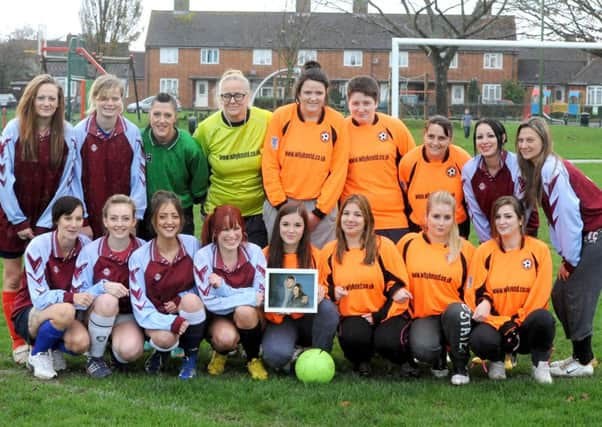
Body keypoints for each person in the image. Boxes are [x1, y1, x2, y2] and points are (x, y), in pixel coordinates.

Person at [0, 74, 84, 364]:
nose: (47, 103)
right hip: (14, 216)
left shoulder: (69, 133)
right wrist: (19, 221)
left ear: (60, 103)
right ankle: (18, 341)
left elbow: (68, 180)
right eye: (42, 97)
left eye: (53, 98)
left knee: (45, 278)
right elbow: (3, 177)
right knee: (13, 277)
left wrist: (46, 223)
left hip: (49, 218)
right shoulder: (13, 129)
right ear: (31, 100)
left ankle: (48, 340)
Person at [515, 117, 602, 377]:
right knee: (560, 294)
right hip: (587, 232)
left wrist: (570, 260)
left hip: (596, 230)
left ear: (544, 140)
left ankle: (585, 362)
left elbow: (568, 218)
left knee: (575, 292)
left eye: (530, 139)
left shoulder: (552, 171)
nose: (524, 145)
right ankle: (578, 355)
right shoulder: (536, 170)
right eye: (520, 140)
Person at [319, 194, 411, 376]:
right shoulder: (329, 251)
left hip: (385, 314)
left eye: (357, 215)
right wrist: (332, 292)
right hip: (353, 316)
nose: (350, 219)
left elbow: (398, 284)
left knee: (388, 342)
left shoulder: (384, 246)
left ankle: (402, 360)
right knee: (354, 337)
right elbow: (321, 288)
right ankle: (362, 360)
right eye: (346, 214)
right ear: (339, 218)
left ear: (367, 219)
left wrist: (379, 315)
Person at [467, 195, 555, 384]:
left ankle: (540, 364)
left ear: (520, 219)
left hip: (524, 327)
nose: (502, 222)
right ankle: (497, 361)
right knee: (480, 338)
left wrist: (516, 322)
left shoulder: (539, 250)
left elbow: (540, 294)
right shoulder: (484, 251)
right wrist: (503, 323)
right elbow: (472, 292)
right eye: (497, 217)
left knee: (544, 319)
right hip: (497, 327)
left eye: (508, 216)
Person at [262, 61, 349, 249]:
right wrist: (281, 205)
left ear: (326, 94)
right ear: (298, 93)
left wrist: (319, 212)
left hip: (319, 207)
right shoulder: (281, 117)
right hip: (281, 204)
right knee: (281, 260)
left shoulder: (337, 122)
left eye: (318, 93)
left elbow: (338, 171)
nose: (313, 98)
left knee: (318, 262)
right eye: (308, 92)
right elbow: (269, 164)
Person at [397, 191, 474, 385]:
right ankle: (438, 356)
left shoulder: (466, 249)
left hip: (454, 315)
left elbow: (474, 289)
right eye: (436, 216)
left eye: (447, 217)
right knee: (424, 350)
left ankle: (460, 365)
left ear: (454, 219)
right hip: (424, 315)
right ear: (426, 217)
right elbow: (394, 277)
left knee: (457, 312)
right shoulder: (408, 243)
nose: (441, 223)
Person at [11, 196, 92, 379]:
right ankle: (37, 354)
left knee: (81, 343)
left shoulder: (86, 245)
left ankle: (52, 346)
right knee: (65, 310)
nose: (73, 224)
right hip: (30, 311)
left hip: (66, 309)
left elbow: (86, 287)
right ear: (56, 220)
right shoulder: (38, 246)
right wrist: (71, 298)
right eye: (68, 218)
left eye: (78, 219)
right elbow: (39, 298)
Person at [128, 191, 205, 380]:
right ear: (153, 221)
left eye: (174, 216)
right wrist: (170, 321)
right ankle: (161, 352)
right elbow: (140, 304)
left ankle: (190, 357)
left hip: (186, 312)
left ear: (182, 219)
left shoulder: (194, 245)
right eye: (162, 217)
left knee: (192, 301)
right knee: (164, 339)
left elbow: (202, 286)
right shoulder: (139, 256)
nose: (169, 222)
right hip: (155, 316)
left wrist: (180, 300)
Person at [193, 70, 271, 247]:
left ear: (248, 96)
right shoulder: (206, 129)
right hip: (219, 213)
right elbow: (197, 169)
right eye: (227, 96)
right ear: (220, 98)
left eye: (238, 95)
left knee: (253, 268)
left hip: (256, 214)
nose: (233, 100)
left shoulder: (266, 120)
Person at [72, 195, 145, 378]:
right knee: (108, 300)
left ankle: (113, 348)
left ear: (134, 221)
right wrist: (102, 287)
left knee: (129, 352)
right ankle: (95, 358)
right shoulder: (91, 251)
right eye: (113, 218)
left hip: (127, 316)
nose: (119, 224)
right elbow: (77, 296)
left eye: (125, 218)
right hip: (96, 312)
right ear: (105, 221)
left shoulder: (144, 249)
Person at [193, 204, 268, 380]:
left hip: (249, 314)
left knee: (245, 311)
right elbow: (210, 301)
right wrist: (248, 296)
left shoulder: (255, 252)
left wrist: (224, 290)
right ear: (215, 232)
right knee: (225, 338)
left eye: (236, 228)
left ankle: (253, 358)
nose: (232, 235)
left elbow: (261, 294)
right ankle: (222, 352)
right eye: (225, 230)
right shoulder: (203, 256)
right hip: (218, 315)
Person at [261, 203, 338, 372]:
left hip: (308, 320)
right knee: (275, 356)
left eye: (297, 225)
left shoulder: (315, 255)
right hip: (281, 321)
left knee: (328, 309)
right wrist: (274, 310)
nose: (291, 230)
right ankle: (295, 353)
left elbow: (325, 284)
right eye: (286, 224)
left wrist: (321, 291)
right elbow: (260, 294)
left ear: (305, 228)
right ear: (278, 226)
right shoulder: (265, 255)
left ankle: (319, 355)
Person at [342, 75, 416, 243]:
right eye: (355, 104)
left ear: (376, 102)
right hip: (355, 220)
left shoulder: (395, 127)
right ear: (348, 103)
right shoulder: (340, 130)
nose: (361, 109)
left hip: (392, 218)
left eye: (366, 103)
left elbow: (413, 170)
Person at [73, 74, 146, 239]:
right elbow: (73, 179)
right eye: (104, 98)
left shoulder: (132, 132)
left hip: (122, 219)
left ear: (121, 100)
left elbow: (139, 177)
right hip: (89, 215)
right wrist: (80, 219)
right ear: (94, 99)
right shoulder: (79, 132)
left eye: (115, 98)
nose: (110, 103)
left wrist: (135, 217)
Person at [141, 93, 208, 239]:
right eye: (156, 114)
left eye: (167, 115)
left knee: (180, 257)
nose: (161, 120)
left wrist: (193, 197)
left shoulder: (189, 146)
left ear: (175, 117)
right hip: (148, 212)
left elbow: (199, 183)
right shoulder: (139, 141)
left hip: (180, 212)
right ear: (149, 115)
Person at [462, 118, 538, 243]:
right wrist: (488, 242)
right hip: (489, 236)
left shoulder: (519, 165)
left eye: (490, 136)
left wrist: (512, 241)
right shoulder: (469, 170)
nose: (484, 141)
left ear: (502, 138)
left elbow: (523, 207)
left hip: (523, 231)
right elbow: (475, 212)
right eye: (479, 137)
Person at [399, 115, 472, 238]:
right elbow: (404, 198)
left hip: (454, 228)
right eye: (431, 137)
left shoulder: (463, 160)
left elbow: (470, 198)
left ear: (450, 139)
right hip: (419, 229)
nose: (435, 143)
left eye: (442, 138)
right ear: (424, 135)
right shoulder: (409, 162)